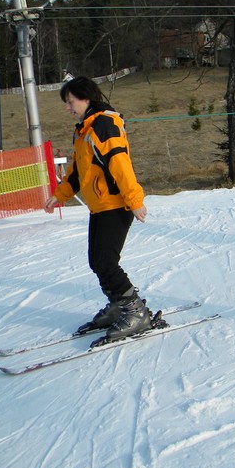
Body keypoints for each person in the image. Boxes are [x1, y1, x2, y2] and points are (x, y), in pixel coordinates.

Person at [44, 76, 152, 340]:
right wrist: (60, 195)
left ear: (86, 97)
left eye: (70, 102)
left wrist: (134, 199)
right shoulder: (85, 130)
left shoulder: (104, 124)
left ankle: (136, 312)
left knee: (105, 261)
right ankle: (119, 306)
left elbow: (119, 163)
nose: (67, 108)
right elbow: (78, 172)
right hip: (101, 206)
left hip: (116, 204)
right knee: (98, 261)